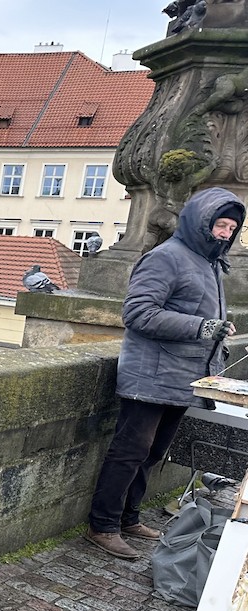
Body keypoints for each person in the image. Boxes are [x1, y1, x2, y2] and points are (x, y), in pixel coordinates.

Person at [86, 186, 245, 560]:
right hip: (149, 376)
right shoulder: (166, 257)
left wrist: (215, 329)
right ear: (199, 223)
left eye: (231, 228)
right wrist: (202, 327)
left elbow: (195, 314)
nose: (224, 233)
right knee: (130, 451)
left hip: (184, 378)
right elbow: (138, 314)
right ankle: (102, 525)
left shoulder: (209, 262)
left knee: (154, 451)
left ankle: (128, 517)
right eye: (219, 225)